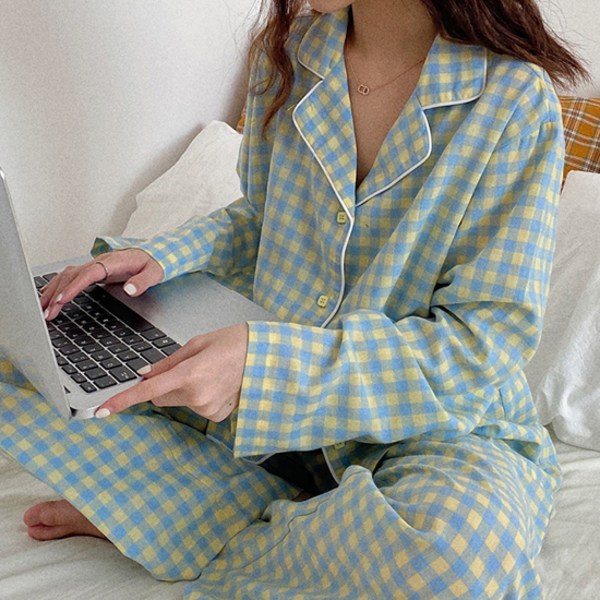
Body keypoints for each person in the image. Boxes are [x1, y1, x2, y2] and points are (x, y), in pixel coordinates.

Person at [0, 0, 589, 597]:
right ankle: (240, 520)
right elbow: (261, 220)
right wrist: (162, 257)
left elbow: (482, 342)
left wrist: (266, 369)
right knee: (26, 346)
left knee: (454, 565)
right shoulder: (286, 54)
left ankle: (170, 519)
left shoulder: (513, 100)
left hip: (429, 424)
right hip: (256, 410)